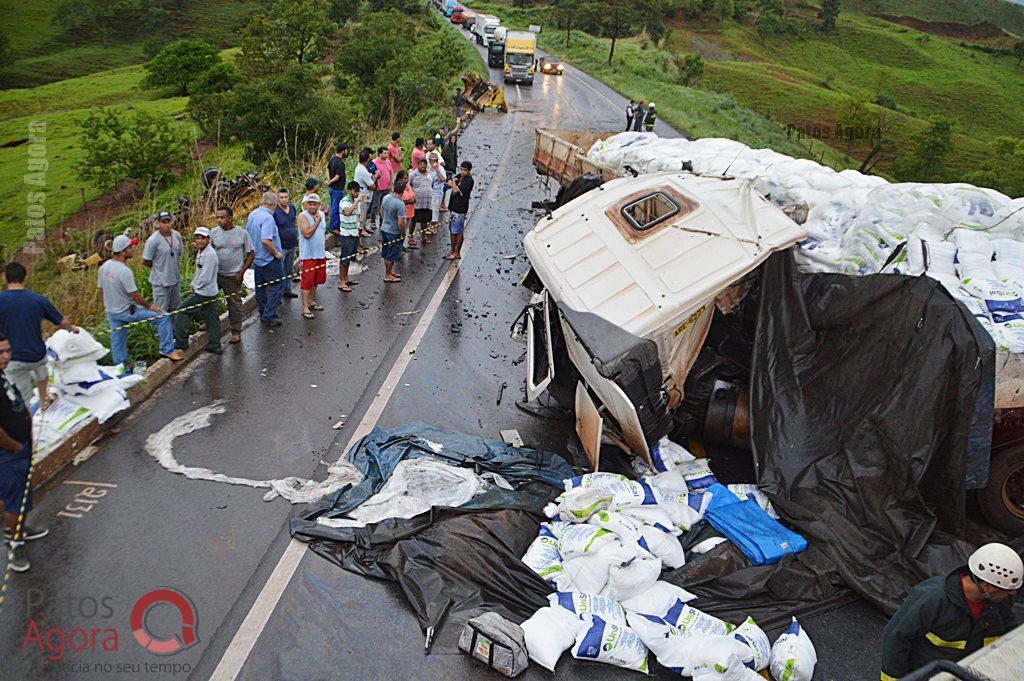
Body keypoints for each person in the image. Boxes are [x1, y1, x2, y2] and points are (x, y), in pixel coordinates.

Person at [880, 543, 1021, 680]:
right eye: (1008, 590)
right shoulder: (932, 598)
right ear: (987, 586)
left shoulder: (1000, 601)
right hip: (928, 673)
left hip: (965, 671)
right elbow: (896, 638)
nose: (1013, 593)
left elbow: (1007, 630)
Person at [0, 262, 78, 409]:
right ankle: (44, 401)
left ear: (6, 278)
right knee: (42, 374)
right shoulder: (38, 300)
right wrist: (72, 329)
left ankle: (26, 421)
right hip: (37, 354)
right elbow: (61, 321)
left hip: (12, 359)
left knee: (22, 400)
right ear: (25, 278)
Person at [0, 334, 46, 573]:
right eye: (1, 353)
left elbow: (16, 403)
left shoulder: (3, 376)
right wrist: (14, 446)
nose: (6, 356)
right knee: (13, 501)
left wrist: (29, 428)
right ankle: (14, 543)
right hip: (8, 453)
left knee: (24, 492)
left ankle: (22, 529)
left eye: (7, 351)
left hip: (22, 444)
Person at [98, 235, 183, 363]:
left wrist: (108, 306)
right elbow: (135, 296)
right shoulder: (124, 271)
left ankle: (121, 370)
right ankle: (167, 350)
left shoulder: (104, 267)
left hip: (111, 312)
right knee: (163, 317)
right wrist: (150, 307)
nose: (133, 249)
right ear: (122, 251)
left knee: (118, 340)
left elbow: (101, 290)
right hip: (127, 310)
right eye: (130, 247)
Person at [173, 227, 221, 355]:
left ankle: (181, 343)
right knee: (211, 318)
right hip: (208, 291)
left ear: (208, 239)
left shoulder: (210, 255)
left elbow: (205, 277)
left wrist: (195, 287)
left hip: (204, 292)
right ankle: (215, 345)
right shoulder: (202, 251)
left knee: (182, 311)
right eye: (198, 238)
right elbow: (199, 271)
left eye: (202, 238)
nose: (199, 240)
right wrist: (193, 283)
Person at [210, 206, 254, 344]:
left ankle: (235, 331)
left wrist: (241, 272)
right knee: (208, 299)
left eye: (222, 217)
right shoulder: (213, 233)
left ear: (230, 218)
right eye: (217, 217)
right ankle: (210, 321)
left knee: (234, 304)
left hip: (233, 276)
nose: (219, 220)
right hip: (216, 274)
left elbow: (251, 253)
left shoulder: (242, 233)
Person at [246, 192, 285, 327]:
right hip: (269, 258)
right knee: (277, 286)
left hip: (257, 258)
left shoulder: (253, 214)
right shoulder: (268, 219)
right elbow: (266, 240)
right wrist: (277, 254)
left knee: (261, 287)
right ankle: (269, 315)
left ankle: (263, 312)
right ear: (275, 204)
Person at [142, 211, 183, 313]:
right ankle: (163, 329)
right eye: (163, 222)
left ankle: (174, 329)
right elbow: (146, 260)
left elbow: (180, 253)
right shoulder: (153, 240)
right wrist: (159, 268)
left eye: (168, 221)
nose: (167, 224)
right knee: (161, 312)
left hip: (175, 280)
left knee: (176, 309)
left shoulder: (177, 235)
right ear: (158, 223)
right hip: (160, 283)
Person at [297, 194, 327, 319]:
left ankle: (311, 301)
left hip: (320, 253)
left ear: (319, 205)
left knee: (317, 279)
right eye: (310, 204)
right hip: (308, 255)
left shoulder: (322, 214)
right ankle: (305, 307)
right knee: (306, 281)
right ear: (306, 204)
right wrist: (316, 222)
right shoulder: (303, 216)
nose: (312, 206)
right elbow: (306, 234)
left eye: (315, 204)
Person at [337, 182, 364, 293]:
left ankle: (346, 278)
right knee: (344, 258)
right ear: (350, 190)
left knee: (350, 257)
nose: (357, 193)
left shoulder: (353, 201)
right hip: (346, 233)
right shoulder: (344, 201)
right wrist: (357, 201)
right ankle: (342, 281)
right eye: (355, 191)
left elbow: (357, 215)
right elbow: (347, 212)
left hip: (353, 232)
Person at [445, 161, 474, 261]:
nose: (462, 172)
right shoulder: (460, 176)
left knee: (458, 231)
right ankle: (452, 250)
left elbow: (455, 190)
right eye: (461, 169)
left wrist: (453, 183)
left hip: (460, 209)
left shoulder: (469, 181)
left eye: (464, 170)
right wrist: (453, 183)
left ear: (469, 171)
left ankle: (457, 252)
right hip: (453, 207)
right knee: (452, 230)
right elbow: (450, 182)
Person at [380, 177, 407, 283]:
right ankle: (387, 275)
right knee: (391, 254)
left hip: (384, 228)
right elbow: (401, 222)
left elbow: (381, 213)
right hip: (393, 231)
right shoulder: (400, 204)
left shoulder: (386, 197)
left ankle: (389, 272)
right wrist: (402, 233)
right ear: (403, 191)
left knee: (386, 251)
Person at [274, 188, 299, 299]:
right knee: (279, 270)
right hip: (281, 246)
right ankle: (278, 294)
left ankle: (287, 290)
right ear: (277, 199)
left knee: (288, 269)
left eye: (286, 197)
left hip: (292, 244)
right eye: (281, 197)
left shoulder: (292, 208)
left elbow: (294, 221)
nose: (284, 200)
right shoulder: (275, 211)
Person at [409, 157, 435, 247]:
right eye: (421, 164)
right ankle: (410, 237)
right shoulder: (413, 174)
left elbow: (432, 184)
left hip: (427, 202)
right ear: (418, 165)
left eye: (424, 164)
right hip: (416, 203)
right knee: (414, 220)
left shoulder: (430, 174)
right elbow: (408, 186)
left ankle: (423, 236)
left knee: (425, 220)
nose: (423, 166)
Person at [353, 149, 377, 236]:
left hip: (362, 194)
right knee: (361, 216)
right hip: (363, 196)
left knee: (364, 214)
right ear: (367, 160)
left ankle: (363, 229)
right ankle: (360, 233)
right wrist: (375, 176)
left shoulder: (359, 167)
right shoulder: (363, 171)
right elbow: (373, 186)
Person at [327, 143, 350, 235]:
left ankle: (334, 225)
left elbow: (327, 169)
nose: (347, 152)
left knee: (333, 205)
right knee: (336, 207)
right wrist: (331, 181)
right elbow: (337, 176)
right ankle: (333, 227)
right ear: (343, 151)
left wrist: (329, 180)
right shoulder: (340, 163)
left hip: (332, 188)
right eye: (346, 150)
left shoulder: (332, 159)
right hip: (337, 188)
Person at [372, 146, 393, 233]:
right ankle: (373, 222)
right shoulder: (374, 162)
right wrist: (375, 186)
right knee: (375, 205)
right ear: (379, 153)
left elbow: (390, 172)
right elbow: (372, 175)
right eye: (384, 153)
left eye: (387, 153)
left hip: (386, 188)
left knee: (385, 205)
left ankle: (382, 222)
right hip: (378, 188)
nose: (386, 155)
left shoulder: (388, 161)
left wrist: (391, 183)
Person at [427, 152, 447, 237]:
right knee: (429, 209)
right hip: (428, 193)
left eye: (435, 160)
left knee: (435, 210)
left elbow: (443, 179)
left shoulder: (441, 168)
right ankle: (428, 225)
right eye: (431, 160)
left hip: (436, 193)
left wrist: (437, 170)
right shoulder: (428, 169)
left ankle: (433, 227)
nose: (433, 162)